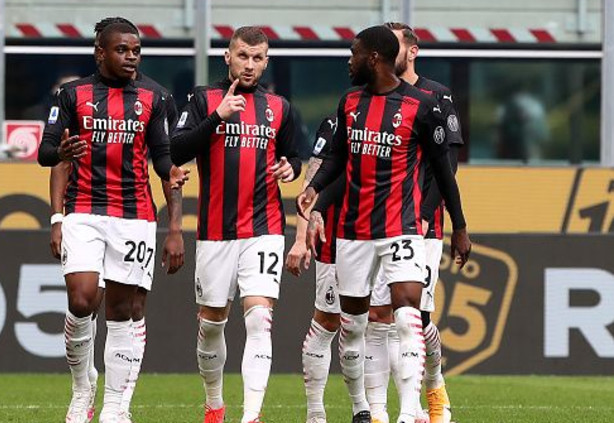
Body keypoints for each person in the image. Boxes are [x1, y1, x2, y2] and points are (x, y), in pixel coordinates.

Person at [298, 25, 471, 423]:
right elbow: (339, 159)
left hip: (402, 227)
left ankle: (408, 413)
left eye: (354, 53)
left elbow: (444, 170)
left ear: (373, 58)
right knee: (355, 327)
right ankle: (368, 409)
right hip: (354, 231)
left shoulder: (423, 105)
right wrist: (315, 191)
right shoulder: (349, 103)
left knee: (408, 315)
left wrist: (458, 225)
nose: (349, 60)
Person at [38, 20, 188, 423]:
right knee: (81, 299)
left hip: (134, 217)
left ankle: (115, 407)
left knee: (123, 310)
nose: (131, 57)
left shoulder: (156, 97)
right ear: (100, 52)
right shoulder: (72, 95)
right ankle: (82, 388)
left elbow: (163, 160)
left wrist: (174, 222)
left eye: (136, 50)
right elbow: (46, 153)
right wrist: (57, 214)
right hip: (84, 211)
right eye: (122, 50)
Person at [171, 26, 301, 423]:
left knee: (259, 318)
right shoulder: (202, 99)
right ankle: (214, 405)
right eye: (242, 56)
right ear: (227, 57)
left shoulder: (279, 107)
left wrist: (290, 168)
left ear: (266, 62)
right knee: (212, 324)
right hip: (215, 231)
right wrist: (217, 117)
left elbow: (295, 156)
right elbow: (176, 149)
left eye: (257, 58)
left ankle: (252, 415)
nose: (249, 64)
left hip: (265, 227)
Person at [363, 22, 466, 423]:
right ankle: (389, 410)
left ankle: (435, 385)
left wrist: (426, 214)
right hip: (376, 224)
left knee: (417, 317)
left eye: (396, 45)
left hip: (421, 223)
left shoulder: (436, 95)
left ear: (412, 51)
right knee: (379, 316)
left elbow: (447, 164)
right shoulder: (369, 96)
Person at [286, 114, 359, 423]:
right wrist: (300, 239)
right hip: (335, 236)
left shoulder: (405, 113)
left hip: (384, 231)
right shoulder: (335, 124)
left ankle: (372, 410)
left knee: (384, 324)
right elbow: (312, 180)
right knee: (328, 320)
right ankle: (315, 413)